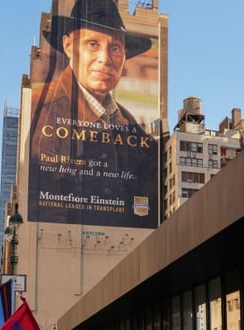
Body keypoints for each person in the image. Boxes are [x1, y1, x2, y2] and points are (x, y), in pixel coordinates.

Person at [30, 0, 158, 227]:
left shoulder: (130, 126)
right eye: (92, 44)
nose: (105, 59)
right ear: (69, 46)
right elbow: (44, 210)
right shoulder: (41, 109)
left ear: (125, 55)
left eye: (115, 48)